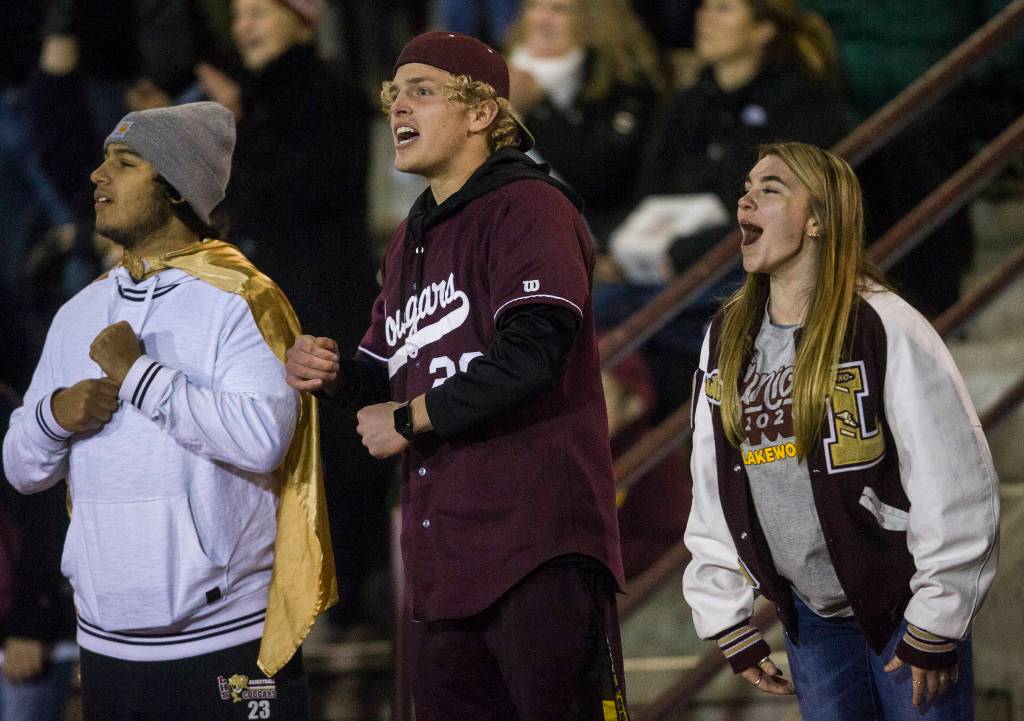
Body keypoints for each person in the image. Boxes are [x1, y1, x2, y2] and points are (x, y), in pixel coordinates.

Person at [285, 31, 629, 720]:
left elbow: (535, 350)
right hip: (446, 565)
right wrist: (331, 371)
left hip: (538, 549)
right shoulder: (409, 238)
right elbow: (383, 372)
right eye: (393, 95)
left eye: (422, 90)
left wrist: (409, 419)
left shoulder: (530, 206)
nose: (397, 107)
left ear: (480, 114)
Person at [2, 101, 336, 721]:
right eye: (104, 161)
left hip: (226, 642)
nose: (98, 176)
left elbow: (263, 439)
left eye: (124, 164)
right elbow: (21, 467)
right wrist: (53, 417)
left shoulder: (243, 299)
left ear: (177, 189)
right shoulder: (76, 313)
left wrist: (141, 375)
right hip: (106, 645)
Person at [682, 142, 1000, 720]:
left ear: (818, 219)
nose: (746, 198)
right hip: (811, 617)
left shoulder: (883, 322)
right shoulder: (726, 332)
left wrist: (937, 617)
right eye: (745, 187)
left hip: (903, 606)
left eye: (771, 188)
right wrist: (724, 612)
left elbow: (952, 472)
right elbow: (714, 478)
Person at [197, 0, 393, 635]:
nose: (243, 26)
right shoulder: (251, 103)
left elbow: (303, 189)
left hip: (319, 306)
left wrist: (240, 126)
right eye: (238, 16)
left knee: (332, 456)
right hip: (265, 312)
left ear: (303, 19)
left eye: (259, 12)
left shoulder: (327, 94)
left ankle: (343, 598)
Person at [597, 0, 848, 422]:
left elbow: (786, 211)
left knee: (630, 331)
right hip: (663, 276)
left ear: (763, 30)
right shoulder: (687, 103)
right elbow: (649, 188)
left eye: (724, 10)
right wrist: (615, 247)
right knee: (596, 313)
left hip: (741, 275)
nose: (704, 19)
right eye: (704, 9)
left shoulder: (801, 104)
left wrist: (685, 254)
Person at [505, 0, 664, 248]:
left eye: (559, 10)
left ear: (590, 21)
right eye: (534, 6)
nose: (542, 19)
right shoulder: (487, 72)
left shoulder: (621, 88)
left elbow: (599, 178)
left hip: (580, 235)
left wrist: (537, 108)